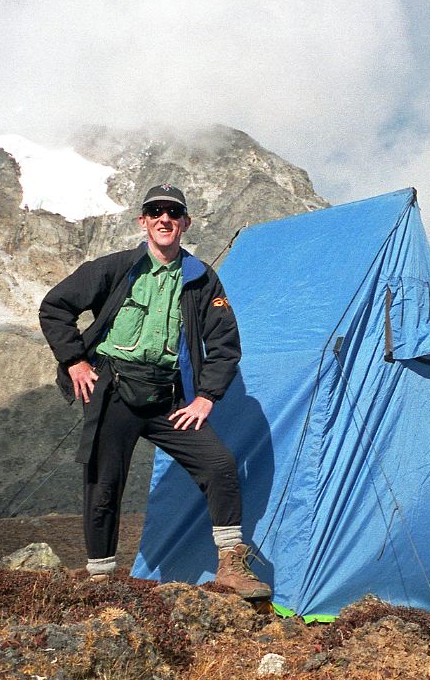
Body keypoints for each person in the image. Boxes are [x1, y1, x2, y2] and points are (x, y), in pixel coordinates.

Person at [39, 184, 270, 599]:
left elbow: (225, 344)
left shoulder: (202, 279)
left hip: (170, 397)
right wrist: (75, 360)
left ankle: (232, 565)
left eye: (173, 212)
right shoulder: (117, 268)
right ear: (143, 221)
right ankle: (101, 581)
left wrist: (206, 397)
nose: (165, 218)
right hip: (113, 388)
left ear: (185, 223)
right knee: (104, 482)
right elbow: (55, 306)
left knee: (219, 464)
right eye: (155, 211)